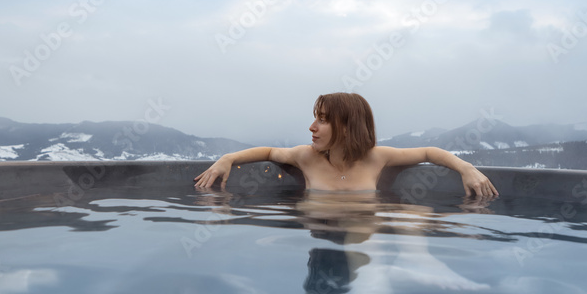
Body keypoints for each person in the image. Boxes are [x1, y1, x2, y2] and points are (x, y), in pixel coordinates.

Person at [193, 92, 499, 197]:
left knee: (416, 218)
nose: (312, 127)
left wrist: (466, 168)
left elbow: (430, 152)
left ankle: (420, 259)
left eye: (323, 120)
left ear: (348, 126)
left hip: (364, 232)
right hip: (320, 232)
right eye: (315, 118)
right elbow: (269, 152)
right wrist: (227, 158)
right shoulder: (306, 157)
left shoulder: (377, 158)